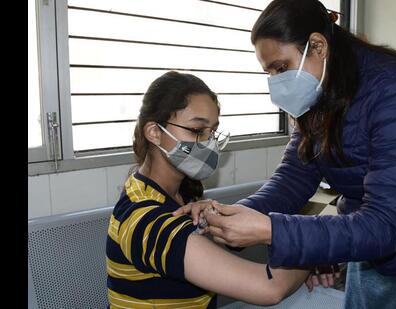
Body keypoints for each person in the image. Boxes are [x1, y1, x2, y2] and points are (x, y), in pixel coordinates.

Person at [177, 0, 396, 308]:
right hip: (370, 245)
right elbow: (293, 179)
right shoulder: (317, 92)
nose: (275, 83)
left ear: (318, 46)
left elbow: (386, 225)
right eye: (269, 72)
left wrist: (273, 231)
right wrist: (231, 215)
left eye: (281, 68)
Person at [105, 71, 309, 309]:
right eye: (196, 131)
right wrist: (315, 255)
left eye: (212, 132)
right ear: (154, 132)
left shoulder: (177, 194)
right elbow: (270, 288)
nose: (208, 143)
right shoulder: (147, 220)